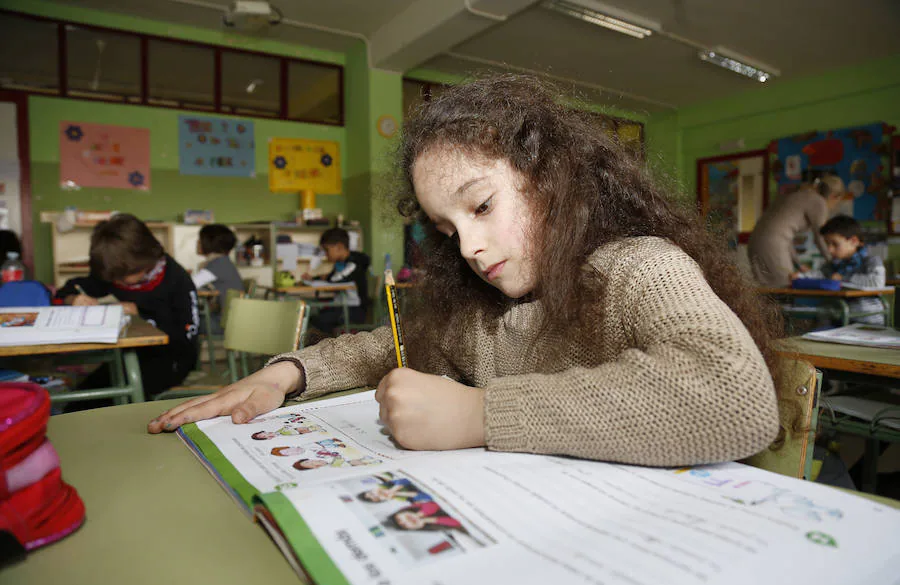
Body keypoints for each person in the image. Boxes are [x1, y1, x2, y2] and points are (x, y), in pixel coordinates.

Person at [150, 75, 796, 470]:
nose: (470, 247)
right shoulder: (484, 314)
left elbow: (735, 401)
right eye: (448, 230)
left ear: (553, 182)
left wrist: (482, 415)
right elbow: (381, 348)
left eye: (483, 205)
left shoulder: (638, 268)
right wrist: (285, 374)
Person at [57, 213, 199, 400]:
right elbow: (66, 291)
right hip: (132, 354)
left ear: (145, 262)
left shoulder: (176, 280)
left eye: (122, 278)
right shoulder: (117, 270)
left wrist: (141, 314)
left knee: (118, 399)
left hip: (172, 359)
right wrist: (73, 299)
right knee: (84, 397)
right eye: (112, 278)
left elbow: (187, 337)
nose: (117, 283)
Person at [748, 175, 847, 287]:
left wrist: (798, 264)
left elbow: (785, 237)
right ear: (835, 196)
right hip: (772, 244)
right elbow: (820, 237)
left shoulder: (800, 195)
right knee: (784, 287)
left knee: (767, 288)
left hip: (756, 241)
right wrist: (833, 263)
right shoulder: (819, 201)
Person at [792, 215, 887, 325]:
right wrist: (800, 276)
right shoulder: (834, 264)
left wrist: (843, 278)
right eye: (827, 244)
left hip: (866, 320)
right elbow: (819, 274)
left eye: (835, 244)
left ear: (853, 241)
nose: (829, 249)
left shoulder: (871, 261)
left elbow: (877, 282)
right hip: (839, 317)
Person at [306, 228, 370, 334]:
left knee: (319, 320)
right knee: (313, 315)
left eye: (327, 250)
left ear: (339, 247)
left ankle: (330, 347)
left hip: (355, 309)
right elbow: (330, 278)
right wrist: (312, 278)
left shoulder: (355, 263)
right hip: (342, 305)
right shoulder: (340, 263)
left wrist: (326, 278)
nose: (326, 255)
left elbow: (335, 279)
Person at [192, 224, 243, 334]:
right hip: (228, 320)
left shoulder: (218, 263)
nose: (197, 242)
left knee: (179, 321)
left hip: (222, 323)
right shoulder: (222, 262)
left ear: (210, 243)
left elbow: (190, 285)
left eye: (200, 239)